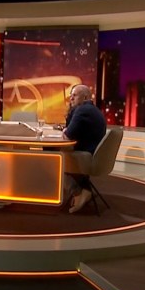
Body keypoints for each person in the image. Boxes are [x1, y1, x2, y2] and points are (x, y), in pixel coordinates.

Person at [62, 84, 107, 213]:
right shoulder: (92, 110)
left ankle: (78, 192)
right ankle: (84, 188)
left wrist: (65, 131)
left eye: (74, 96)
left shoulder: (82, 110)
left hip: (86, 156)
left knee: (51, 155)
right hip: (93, 155)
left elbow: (68, 134)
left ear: (86, 97)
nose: (71, 98)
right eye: (71, 96)